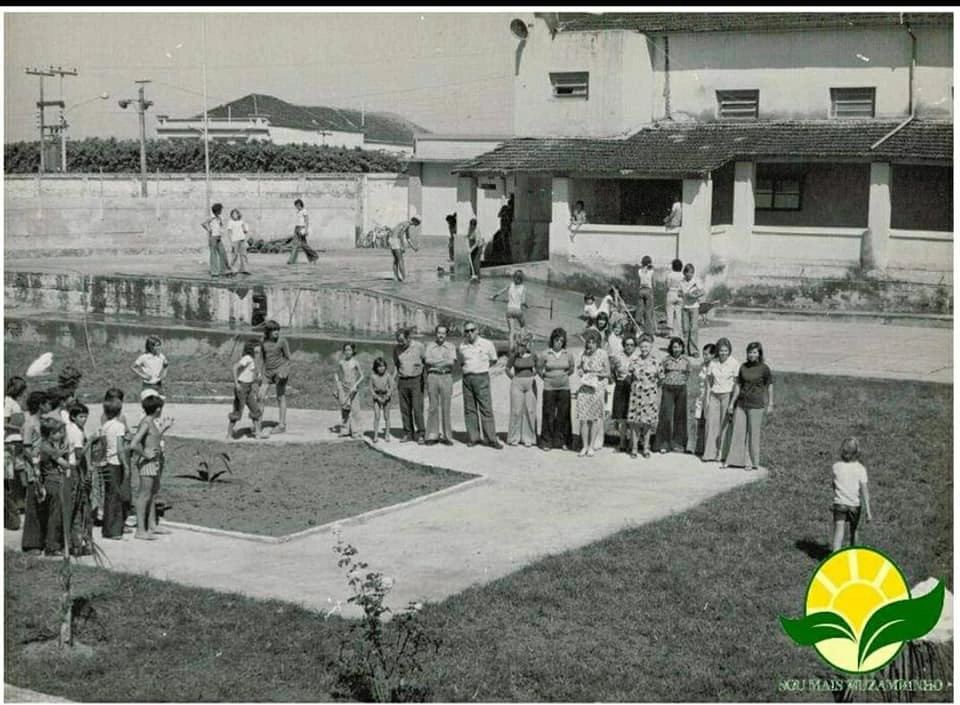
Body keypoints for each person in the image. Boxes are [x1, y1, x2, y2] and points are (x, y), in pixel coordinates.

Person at [128, 389, 173, 541]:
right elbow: (134, 444)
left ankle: (152, 524)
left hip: (154, 462)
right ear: (158, 409)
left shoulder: (151, 422)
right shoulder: (146, 423)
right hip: (147, 463)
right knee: (144, 496)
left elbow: (152, 439)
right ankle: (140, 530)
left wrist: (164, 429)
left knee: (152, 493)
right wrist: (145, 454)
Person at [721, 342, 774, 470]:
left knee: (753, 434)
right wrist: (732, 403)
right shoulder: (743, 367)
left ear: (759, 354)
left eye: (755, 352)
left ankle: (750, 461)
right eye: (750, 352)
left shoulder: (764, 368)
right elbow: (738, 386)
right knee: (738, 432)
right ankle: (733, 460)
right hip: (741, 404)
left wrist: (770, 403)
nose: (752, 355)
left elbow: (770, 385)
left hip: (756, 405)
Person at [458, 322, 501, 448]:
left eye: (472, 330)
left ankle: (491, 439)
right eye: (467, 331)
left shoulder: (487, 344)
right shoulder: (462, 346)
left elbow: (494, 360)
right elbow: (461, 362)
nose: (469, 333)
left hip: (482, 377)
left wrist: (482, 369)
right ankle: (474, 437)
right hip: (467, 378)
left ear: (477, 331)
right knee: (469, 409)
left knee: (486, 408)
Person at [831, 437, 873, 551]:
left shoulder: (836, 466)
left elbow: (834, 485)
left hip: (839, 504)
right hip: (854, 505)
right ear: (857, 452)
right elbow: (864, 490)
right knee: (854, 531)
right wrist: (868, 510)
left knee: (838, 533)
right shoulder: (861, 469)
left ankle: (835, 560)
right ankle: (853, 555)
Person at [537, 327, 575, 452]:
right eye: (557, 340)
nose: (559, 342)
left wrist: (562, 377)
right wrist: (547, 377)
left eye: (561, 340)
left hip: (564, 387)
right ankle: (546, 441)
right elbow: (539, 368)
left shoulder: (568, 354)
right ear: (552, 340)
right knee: (548, 413)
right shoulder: (545, 353)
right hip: (549, 387)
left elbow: (571, 369)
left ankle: (563, 441)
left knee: (564, 414)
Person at [702, 337, 738, 463]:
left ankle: (722, 453)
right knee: (712, 423)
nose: (723, 353)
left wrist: (732, 402)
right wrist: (708, 397)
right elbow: (709, 381)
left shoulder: (734, 363)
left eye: (726, 350)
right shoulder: (713, 363)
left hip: (727, 395)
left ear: (729, 351)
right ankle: (709, 453)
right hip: (714, 395)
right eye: (721, 350)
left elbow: (736, 384)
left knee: (724, 424)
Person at [627, 334, 663, 458]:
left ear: (651, 347)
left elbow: (661, 378)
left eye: (646, 347)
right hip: (636, 395)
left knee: (647, 423)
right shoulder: (634, 360)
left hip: (650, 395)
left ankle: (646, 448)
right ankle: (634, 448)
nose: (644, 349)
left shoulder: (656, 361)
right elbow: (629, 376)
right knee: (635, 422)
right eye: (642, 347)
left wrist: (653, 388)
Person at [575, 328, 609, 458]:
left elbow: (608, 373)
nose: (590, 345)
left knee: (594, 419)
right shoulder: (584, 353)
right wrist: (581, 372)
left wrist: (596, 374)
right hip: (584, 387)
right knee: (583, 418)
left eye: (593, 342)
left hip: (597, 388)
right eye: (588, 342)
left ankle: (591, 446)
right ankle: (584, 446)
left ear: (598, 343)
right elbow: (579, 367)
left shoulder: (603, 354)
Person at [99, 396, 129, 539]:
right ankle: (115, 530)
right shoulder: (119, 426)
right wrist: (126, 464)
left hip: (106, 462)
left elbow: (104, 445)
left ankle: (108, 528)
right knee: (116, 497)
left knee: (109, 496)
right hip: (116, 463)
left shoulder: (105, 426)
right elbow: (120, 448)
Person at [423, 325, 457, 446]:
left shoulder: (451, 346)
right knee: (433, 406)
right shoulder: (430, 346)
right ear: (435, 333)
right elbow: (427, 361)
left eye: (443, 333)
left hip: (446, 376)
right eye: (438, 333)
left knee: (446, 407)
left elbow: (451, 362)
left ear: (446, 335)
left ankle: (447, 436)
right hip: (432, 376)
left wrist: (436, 362)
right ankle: (433, 435)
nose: (440, 335)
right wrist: (443, 361)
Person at [657, 337, 690, 454]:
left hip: (681, 389)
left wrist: (681, 381)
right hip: (668, 389)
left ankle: (678, 443)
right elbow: (660, 372)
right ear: (671, 348)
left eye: (679, 347)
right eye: (674, 347)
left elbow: (687, 373)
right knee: (666, 415)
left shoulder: (686, 360)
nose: (677, 349)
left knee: (680, 416)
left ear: (682, 348)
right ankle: (664, 443)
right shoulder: (666, 360)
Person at [393, 327, 426, 444]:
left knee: (417, 408)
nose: (400, 343)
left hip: (416, 380)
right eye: (398, 340)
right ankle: (408, 433)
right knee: (405, 409)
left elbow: (425, 362)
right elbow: (397, 364)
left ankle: (421, 433)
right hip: (402, 381)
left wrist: (423, 380)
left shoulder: (419, 346)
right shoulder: (396, 349)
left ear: (408, 338)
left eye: (402, 340)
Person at [505, 331, 538, 447]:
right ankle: (514, 438)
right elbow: (507, 369)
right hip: (517, 384)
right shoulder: (514, 355)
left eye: (524, 344)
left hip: (530, 384)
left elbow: (538, 367)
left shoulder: (533, 355)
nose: (522, 347)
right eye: (520, 344)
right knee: (516, 410)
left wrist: (534, 375)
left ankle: (528, 438)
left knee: (530, 411)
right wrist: (513, 379)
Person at [259, 320, 292, 434]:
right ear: (268, 331)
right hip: (267, 373)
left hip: (280, 372)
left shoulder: (282, 341)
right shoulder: (263, 341)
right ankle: (258, 424)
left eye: (278, 330)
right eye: (274, 330)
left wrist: (283, 372)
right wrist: (260, 372)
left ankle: (282, 425)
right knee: (261, 396)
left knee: (280, 397)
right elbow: (262, 358)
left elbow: (288, 359)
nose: (277, 332)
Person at [227, 340, 263, 440]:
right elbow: (235, 367)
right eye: (256, 351)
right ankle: (229, 434)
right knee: (238, 411)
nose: (258, 354)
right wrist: (236, 383)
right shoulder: (247, 358)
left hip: (249, 388)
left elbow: (251, 374)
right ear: (250, 350)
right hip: (241, 387)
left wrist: (258, 377)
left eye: (259, 352)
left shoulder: (253, 360)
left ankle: (258, 433)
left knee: (255, 409)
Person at [687, 343, 717, 456]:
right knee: (697, 420)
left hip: (710, 397)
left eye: (707, 354)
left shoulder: (715, 366)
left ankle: (708, 448)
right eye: (703, 354)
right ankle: (696, 446)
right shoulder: (703, 365)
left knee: (708, 421)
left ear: (713, 355)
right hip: (700, 396)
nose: (705, 356)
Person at [610, 335, 638, 453]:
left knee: (632, 417)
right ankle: (622, 442)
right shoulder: (618, 357)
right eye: (627, 345)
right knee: (621, 417)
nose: (629, 347)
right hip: (621, 386)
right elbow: (611, 370)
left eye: (632, 345)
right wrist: (616, 380)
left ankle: (632, 443)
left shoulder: (638, 357)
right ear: (623, 345)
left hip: (634, 387)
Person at [491, 269, 529, 352]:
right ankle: (522, 346)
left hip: (509, 310)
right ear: (522, 279)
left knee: (511, 332)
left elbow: (501, 291)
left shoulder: (510, 285)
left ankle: (511, 349)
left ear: (514, 277)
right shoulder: (523, 288)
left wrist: (494, 296)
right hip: (518, 310)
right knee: (522, 326)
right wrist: (526, 306)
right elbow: (523, 302)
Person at [334, 343, 364, 439]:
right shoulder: (341, 362)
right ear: (343, 351)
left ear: (353, 351)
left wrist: (355, 385)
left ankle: (356, 431)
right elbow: (337, 374)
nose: (347, 352)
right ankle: (344, 430)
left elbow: (362, 376)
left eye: (350, 350)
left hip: (353, 389)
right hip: (344, 388)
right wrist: (338, 385)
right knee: (344, 410)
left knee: (355, 410)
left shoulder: (355, 362)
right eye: (346, 350)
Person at [201, 202, 232, 277]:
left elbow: (220, 226)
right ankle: (214, 272)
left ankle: (224, 270)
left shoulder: (219, 217)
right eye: (220, 210)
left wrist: (220, 222)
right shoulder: (211, 217)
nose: (221, 211)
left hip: (219, 237)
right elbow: (203, 223)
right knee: (213, 255)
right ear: (217, 210)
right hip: (213, 238)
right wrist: (209, 230)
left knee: (223, 253)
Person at [680, 263, 704, 357]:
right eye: (688, 273)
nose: (689, 275)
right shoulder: (681, 282)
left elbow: (702, 291)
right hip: (685, 307)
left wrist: (695, 295)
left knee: (693, 329)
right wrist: (684, 295)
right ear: (684, 273)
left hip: (694, 307)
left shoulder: (696, 280)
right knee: (685, 329)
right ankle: (685, 350)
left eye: (691, 273)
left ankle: (694, 351)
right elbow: (679, 293)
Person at [388, 216, 421, 283]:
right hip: (395, 240)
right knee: (401, 260)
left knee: (396, 260)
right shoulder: (407, 224)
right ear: (415, 221)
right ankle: (404, 278)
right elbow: (400, 234)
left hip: (391, 239)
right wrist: (402, 246)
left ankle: (396, 277)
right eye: (417, 223)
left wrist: (413, 247)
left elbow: (408, 238)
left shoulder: (404, 223)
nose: (416, 226)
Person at [369, 357, 394, 443]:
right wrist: (376, 397)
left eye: (383, 366)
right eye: (379, 366)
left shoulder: (388, 376)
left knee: (386, 416)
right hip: (377, 397)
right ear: (376, 367)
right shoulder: (373, 376)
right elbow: (371, 389)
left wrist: (387, 396)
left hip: (386, 397)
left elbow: (391, 387)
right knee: (377, 416)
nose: (381, 368)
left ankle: (387, 435)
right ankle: (375, 435)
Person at [288, 198, 320, 264]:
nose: (296, 207)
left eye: (296, 205)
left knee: (303, 245)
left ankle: (314, 255)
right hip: (296, 228)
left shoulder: (304, 211)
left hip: (301, 228)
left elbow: (307, 221)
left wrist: (306, 230)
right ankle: (311, 258)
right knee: (296, 244)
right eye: (295, 205)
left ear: (299, 204)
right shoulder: (298, 212)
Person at [227, 207, 252, 275]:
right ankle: (230, 267)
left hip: (242, 239)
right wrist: (231, 242)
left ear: (238, 214)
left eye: (236, 214)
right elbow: (229, 232)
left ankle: (244, 269)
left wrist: (246, 229)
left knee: (244, 255)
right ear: (231, 215)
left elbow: (245, 231)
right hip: (235, 240)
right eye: (233, 214)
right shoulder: (230, 222)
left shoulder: (241, 221)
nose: (235, 215)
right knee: (235, 255)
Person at [636, 256, 656, 338]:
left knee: (640, 310)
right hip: (648, 290)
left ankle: (638, 329)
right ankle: (648, 331)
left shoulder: (639, 271)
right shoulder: (651, 271)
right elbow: (654, 283)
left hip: (641, 290)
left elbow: (638, 282)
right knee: (648, 311)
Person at [665, 259, 684, 338]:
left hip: (671, 293)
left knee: (669, 314)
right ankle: (679, 332)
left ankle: (670, 332)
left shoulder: (670, 275)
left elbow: (667, 285)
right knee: (678, 314)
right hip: (679, 294)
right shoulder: (683, 275)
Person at [497, 193, 515, 263]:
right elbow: (499, 215)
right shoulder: (505, 208)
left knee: (507, 242)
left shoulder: (509, 210)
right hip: (505, 227)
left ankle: (507, 256)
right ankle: (506, 256)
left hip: (508, 227)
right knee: (505, 242)